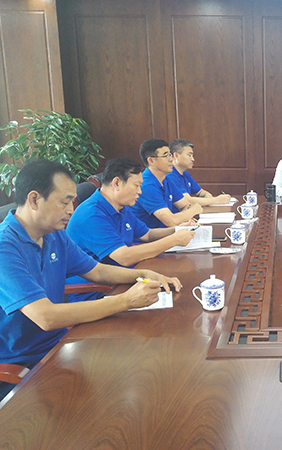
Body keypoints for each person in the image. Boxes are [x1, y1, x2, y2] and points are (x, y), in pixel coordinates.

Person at [0, 160, 181, 400]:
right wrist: (125, 301)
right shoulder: (5, 247)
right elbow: (45, 316)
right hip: (24, 363)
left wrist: (143, 274)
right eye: (64, 202)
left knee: (146, 369)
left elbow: (96, 271)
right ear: (34, 200)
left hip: (62, 342)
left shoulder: (54, 235)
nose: (71, 210)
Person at [67, 158, 197, 301]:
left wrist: (176, 230)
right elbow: (124, 257)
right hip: (98, 293)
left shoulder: (121, 207)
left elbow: (147, 234)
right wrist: (173, 240)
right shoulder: (91, 215)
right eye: (136, 186)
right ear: (116, 183)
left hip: (125, 278)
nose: (140, 192)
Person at [131, 139, 203, 228]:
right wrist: (194, 210)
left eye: (170, 155)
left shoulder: (166, 179)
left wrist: (186, 218)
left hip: (167, 232)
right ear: (151, 161)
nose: (171, 159)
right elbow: (171, 221)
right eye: (166, 156)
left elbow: (185, 205)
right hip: (150, 235)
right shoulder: (146, 185)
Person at [166, 139, 232, 206]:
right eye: (189, 155)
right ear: (176, 155)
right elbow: (186, 200)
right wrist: (216, 200)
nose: (193, 159)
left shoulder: (185, 174)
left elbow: (200, 192)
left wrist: (207, 196)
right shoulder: (170, 176)